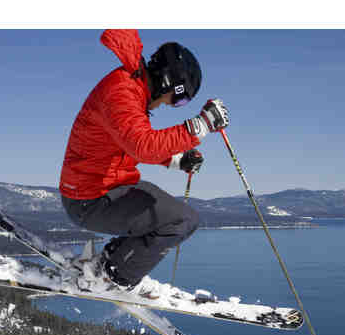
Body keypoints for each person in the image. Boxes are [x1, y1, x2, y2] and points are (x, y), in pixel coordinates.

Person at [59, 29, 229, 298]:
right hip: (91, 199)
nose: (173, 105)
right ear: (167, 81)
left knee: (167, 209)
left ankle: (113, 263)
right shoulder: (122, 92)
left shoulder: (130, 88)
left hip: (100, 190)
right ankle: (110, 276)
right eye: (180, 99)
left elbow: (128, 146)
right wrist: (201, 125)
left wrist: (177, 159)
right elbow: (142, 146)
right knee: (182, 220)